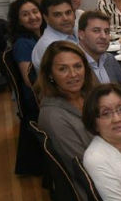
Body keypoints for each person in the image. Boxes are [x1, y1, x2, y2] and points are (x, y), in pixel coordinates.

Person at [34, 41, 96, 172]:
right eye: (63, 69)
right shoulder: (53, 117)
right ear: (50, 74)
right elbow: (82, 167)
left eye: (78, 66)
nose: (73, 74)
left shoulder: (88, 94)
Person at [76, 11, 121, 106]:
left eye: (106, 31)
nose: (103, 36)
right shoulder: (74, 64)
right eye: (96, 31)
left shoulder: (109, 58)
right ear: (81, 34)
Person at [7, 0, 45, 102]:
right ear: (19, 21)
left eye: (35, 12)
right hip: (38, 97)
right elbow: (29, 80)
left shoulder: (41, 37)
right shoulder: (22, 44)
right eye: (25, 15)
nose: (32, 17)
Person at [32, 0, 78, 72]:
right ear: (46, 18)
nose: (65, 18)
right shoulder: (49, 45)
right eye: (57, 15)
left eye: (68, 12)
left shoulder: (76, 29)